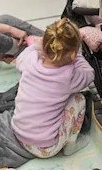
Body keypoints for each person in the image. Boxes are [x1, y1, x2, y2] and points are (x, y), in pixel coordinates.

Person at [12, 19, 93, 158]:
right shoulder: (69, 76)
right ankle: (70, 146)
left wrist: (37, 45)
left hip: (19, 135)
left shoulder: (30, 61)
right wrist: (78, 56)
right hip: (46, 147)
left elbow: (20, 58)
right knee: (79, 98)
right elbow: (89, 74)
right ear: (73, 54)